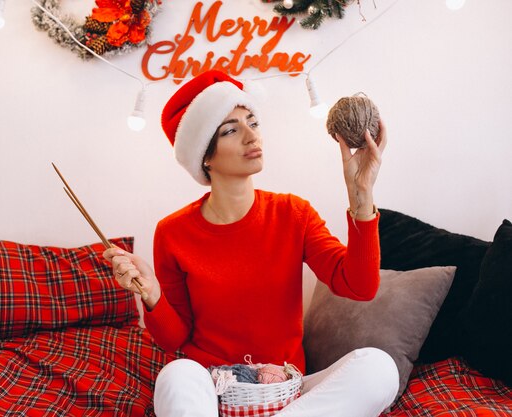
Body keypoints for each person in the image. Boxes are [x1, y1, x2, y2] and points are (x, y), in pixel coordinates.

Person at [103, 70, 399, 417]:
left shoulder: (293, 213)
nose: (251, 135)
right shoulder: (172, 232)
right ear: (205, 156)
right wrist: (151, 293)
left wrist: (361, 194)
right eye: (231, 129)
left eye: (253, 122)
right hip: (212, 390)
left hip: (285, 391)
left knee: (379, 368)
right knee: (176, 374)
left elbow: (360, 286)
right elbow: (175, 339)